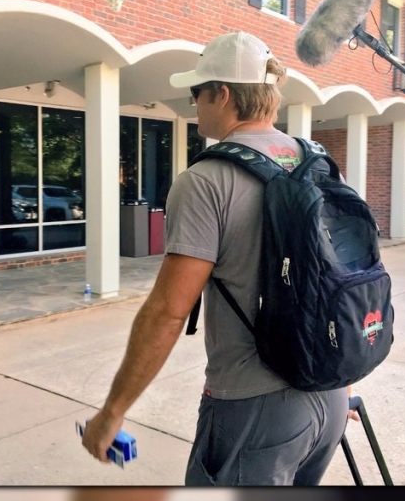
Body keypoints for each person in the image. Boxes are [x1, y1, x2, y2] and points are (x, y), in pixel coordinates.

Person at [81, 32, 358, 485]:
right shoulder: (317, 162)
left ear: (223, 94)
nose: (193, 105)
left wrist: (112, 412)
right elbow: (338, 278)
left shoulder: (206, 179)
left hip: (255, 408)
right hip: (328, 396)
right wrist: (342, 377)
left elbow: (168, 312)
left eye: (196, 93)